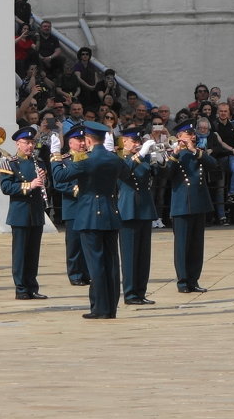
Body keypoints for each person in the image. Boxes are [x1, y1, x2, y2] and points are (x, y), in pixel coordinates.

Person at [58, 122, 124, 319]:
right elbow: (127, 174)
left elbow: (60, 176)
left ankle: (100, 308)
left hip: (89, 217)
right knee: (111, 263)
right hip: (111, 214)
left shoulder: (87, 160)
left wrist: (54, 156)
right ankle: (111, 307)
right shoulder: (113, 159)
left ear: (88, 140)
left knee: (96, 264)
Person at [0, 126, 47, 301]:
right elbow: (6, 187)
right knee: (20, 253)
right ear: (18, 144)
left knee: (33, 253)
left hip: (36, 212)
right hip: (20, 213)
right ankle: (20, 288)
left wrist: (42, 180)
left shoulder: (38, 162)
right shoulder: (10, 163)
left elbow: (43, 185)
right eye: (26, 143)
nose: (30, 146)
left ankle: (32, 286)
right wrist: (29, 185)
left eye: (32, 142)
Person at [166, 122, 216, 293]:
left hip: (199, 202)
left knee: (196, 245)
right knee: (182, 245)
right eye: (187, 134)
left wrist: (195, 151)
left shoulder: (198, 153)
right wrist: (175, 153)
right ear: (179, 136)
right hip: (182, 203)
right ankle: (183, 281)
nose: (192, 136)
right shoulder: (174, 154)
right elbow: (166, 174)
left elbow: (214, 165)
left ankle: (194, 280)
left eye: (193, 133)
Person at [116, 128, 159, 306]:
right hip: (128, 209)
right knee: (130, 254)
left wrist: (160, 161)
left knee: (143, 254)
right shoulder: (119, 158)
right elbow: (124, 172)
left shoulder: (144, 157)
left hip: (144, 207)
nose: (136, 144)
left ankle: (140, 291)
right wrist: (141, 154)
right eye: (132, 141)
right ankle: (130, 292)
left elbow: (159, 177)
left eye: (138, 141)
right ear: (124, 142)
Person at [53, 123, 90, 286]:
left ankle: (87, 273)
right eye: (78, 139)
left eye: (83, 139)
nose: (82, 143)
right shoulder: (64, 160)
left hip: (88, 207)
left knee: (88, 242)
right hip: (73, 207)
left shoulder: (90, 158)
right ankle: (75, 274)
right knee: (74, 244)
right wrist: (77, 190)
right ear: (70, 143)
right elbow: (58, 183)